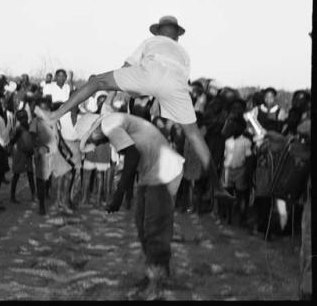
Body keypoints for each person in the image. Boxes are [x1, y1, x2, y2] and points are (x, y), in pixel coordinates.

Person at [35, 16, 234, 201]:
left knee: (97, 81)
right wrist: (160, 102)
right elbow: (178, 83)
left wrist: (115, 93)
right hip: (175, 85)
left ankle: (54, 115)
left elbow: (126, 65)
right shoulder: (184, 54)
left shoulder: (151, 42)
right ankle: (217, 185)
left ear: (159, 32)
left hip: (150, 72)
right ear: (177, 36)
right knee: (194, 135)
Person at [75, 112, 184, 300]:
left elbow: (132, 155)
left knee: (153, 229)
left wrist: (118, 195)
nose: (97, 145)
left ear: (94, 131)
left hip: (163, 172)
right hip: (150, 173)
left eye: (94, 140)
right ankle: (157, 274)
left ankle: (155, 285)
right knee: (142, 226)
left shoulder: (109, 125)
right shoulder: (113, 125)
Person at [30, 98, 72, 215]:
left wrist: (66, 149)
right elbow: (32, 137)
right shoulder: (36, 121)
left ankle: (63, 201)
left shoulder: (54, 121)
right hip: (44, 154)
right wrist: (39, 147)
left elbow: (59, 137)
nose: (46, 110)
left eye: (47, 108)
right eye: (43, 108)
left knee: (67, 174)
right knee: (42, 180)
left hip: (56, 152)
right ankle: (42, 205)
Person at [9, 109, 36, 203]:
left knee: (30, 174)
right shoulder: (18, 128)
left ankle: (33, 195)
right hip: (19, 154)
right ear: (19, 119)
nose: (24, 119)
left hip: (27, 153)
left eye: (25, 117)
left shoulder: (27, 127)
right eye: (22, 118)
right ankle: (12, 196)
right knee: (16, 174)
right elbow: (12, 141)